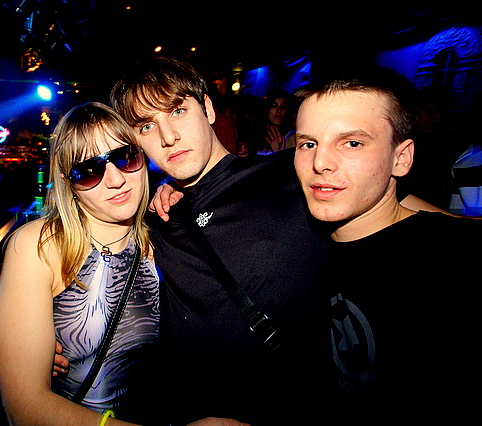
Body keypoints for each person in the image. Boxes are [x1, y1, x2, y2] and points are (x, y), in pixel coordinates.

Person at [110, 56, 332, 424]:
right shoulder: (154, 217)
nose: (168, 137)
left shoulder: (289, 175)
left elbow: (396, 212)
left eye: (178, 111)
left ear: (208, 109)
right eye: (147, 126)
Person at [293, 78, 482, 422]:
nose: (321, 162)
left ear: (401, 158)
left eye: (352, 143)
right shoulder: (301, 241)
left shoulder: (458, 261)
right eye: (308, 144)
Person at [0, 102, 160, 425]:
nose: (116, 179)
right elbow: (25, 409)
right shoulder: (40, 246)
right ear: (68, 183)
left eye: (125, 157)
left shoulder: (165, 239)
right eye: (89, 171)